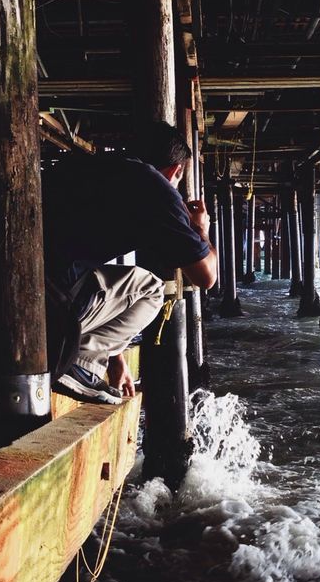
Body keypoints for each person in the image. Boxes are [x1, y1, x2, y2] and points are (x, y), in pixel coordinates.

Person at [42, 121, 217, 403]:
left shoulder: (87, 167)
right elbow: (206, 276)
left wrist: (115, 356)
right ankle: (78, 362)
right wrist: (201, 229)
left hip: (21, 288)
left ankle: (84, 357)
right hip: (50, 309)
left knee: (101, 272)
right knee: (150, 288)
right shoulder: (157, 187)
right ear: (177, 170)